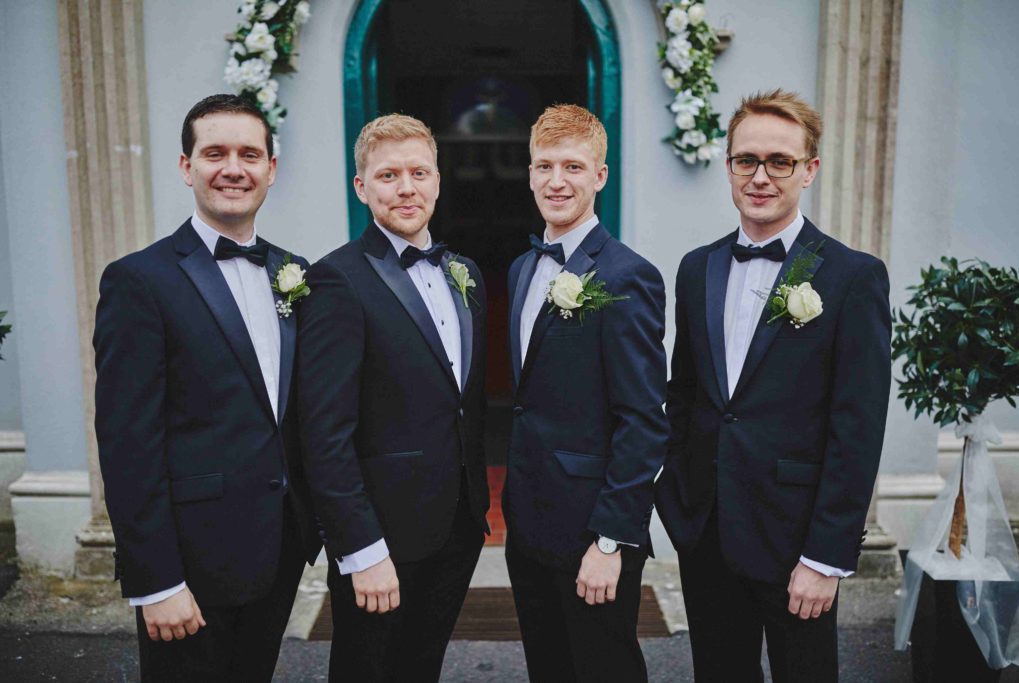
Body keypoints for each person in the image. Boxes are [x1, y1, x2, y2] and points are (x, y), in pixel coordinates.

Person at [654, 89, 892, 682]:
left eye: (779, 161)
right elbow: (684, 392)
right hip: (706, 529)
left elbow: (857, 428)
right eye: (746, 160)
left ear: (809, 169)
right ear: (729, 166)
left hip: (795, 539)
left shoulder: (852, 277)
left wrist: (826, 557)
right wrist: (678, 497)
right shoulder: (696, 267)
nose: (761, 177)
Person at [93, 93, 321, 681]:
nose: (233, 168)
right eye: (214, 152)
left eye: (250, 154)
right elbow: (126, 444)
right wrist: (155, 581)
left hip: (277, 550)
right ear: (185, 166)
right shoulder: (139, 281)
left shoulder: (293, 273)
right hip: (190, 565)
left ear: (271, 169)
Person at [296, 114, 490, 682]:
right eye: (388, 175)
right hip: (381, 536)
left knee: (420, 667)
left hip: (457, 526)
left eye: (418, 172)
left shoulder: (466, 273)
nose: (406, 187)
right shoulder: (336, 279)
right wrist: (360, 549)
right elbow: (323, 432)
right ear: (361, 187)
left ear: (437, 179)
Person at [503, 104, 669, 682]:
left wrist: (612, 539)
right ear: (528, 174)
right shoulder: (522, 268)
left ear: (600, 176)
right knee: (548, 669)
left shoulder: (628, 277)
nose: (556, 181)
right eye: (544, 166)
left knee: (605, 669)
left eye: (572, 166)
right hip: (527, 523)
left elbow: (645, 419)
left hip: (592, 530)